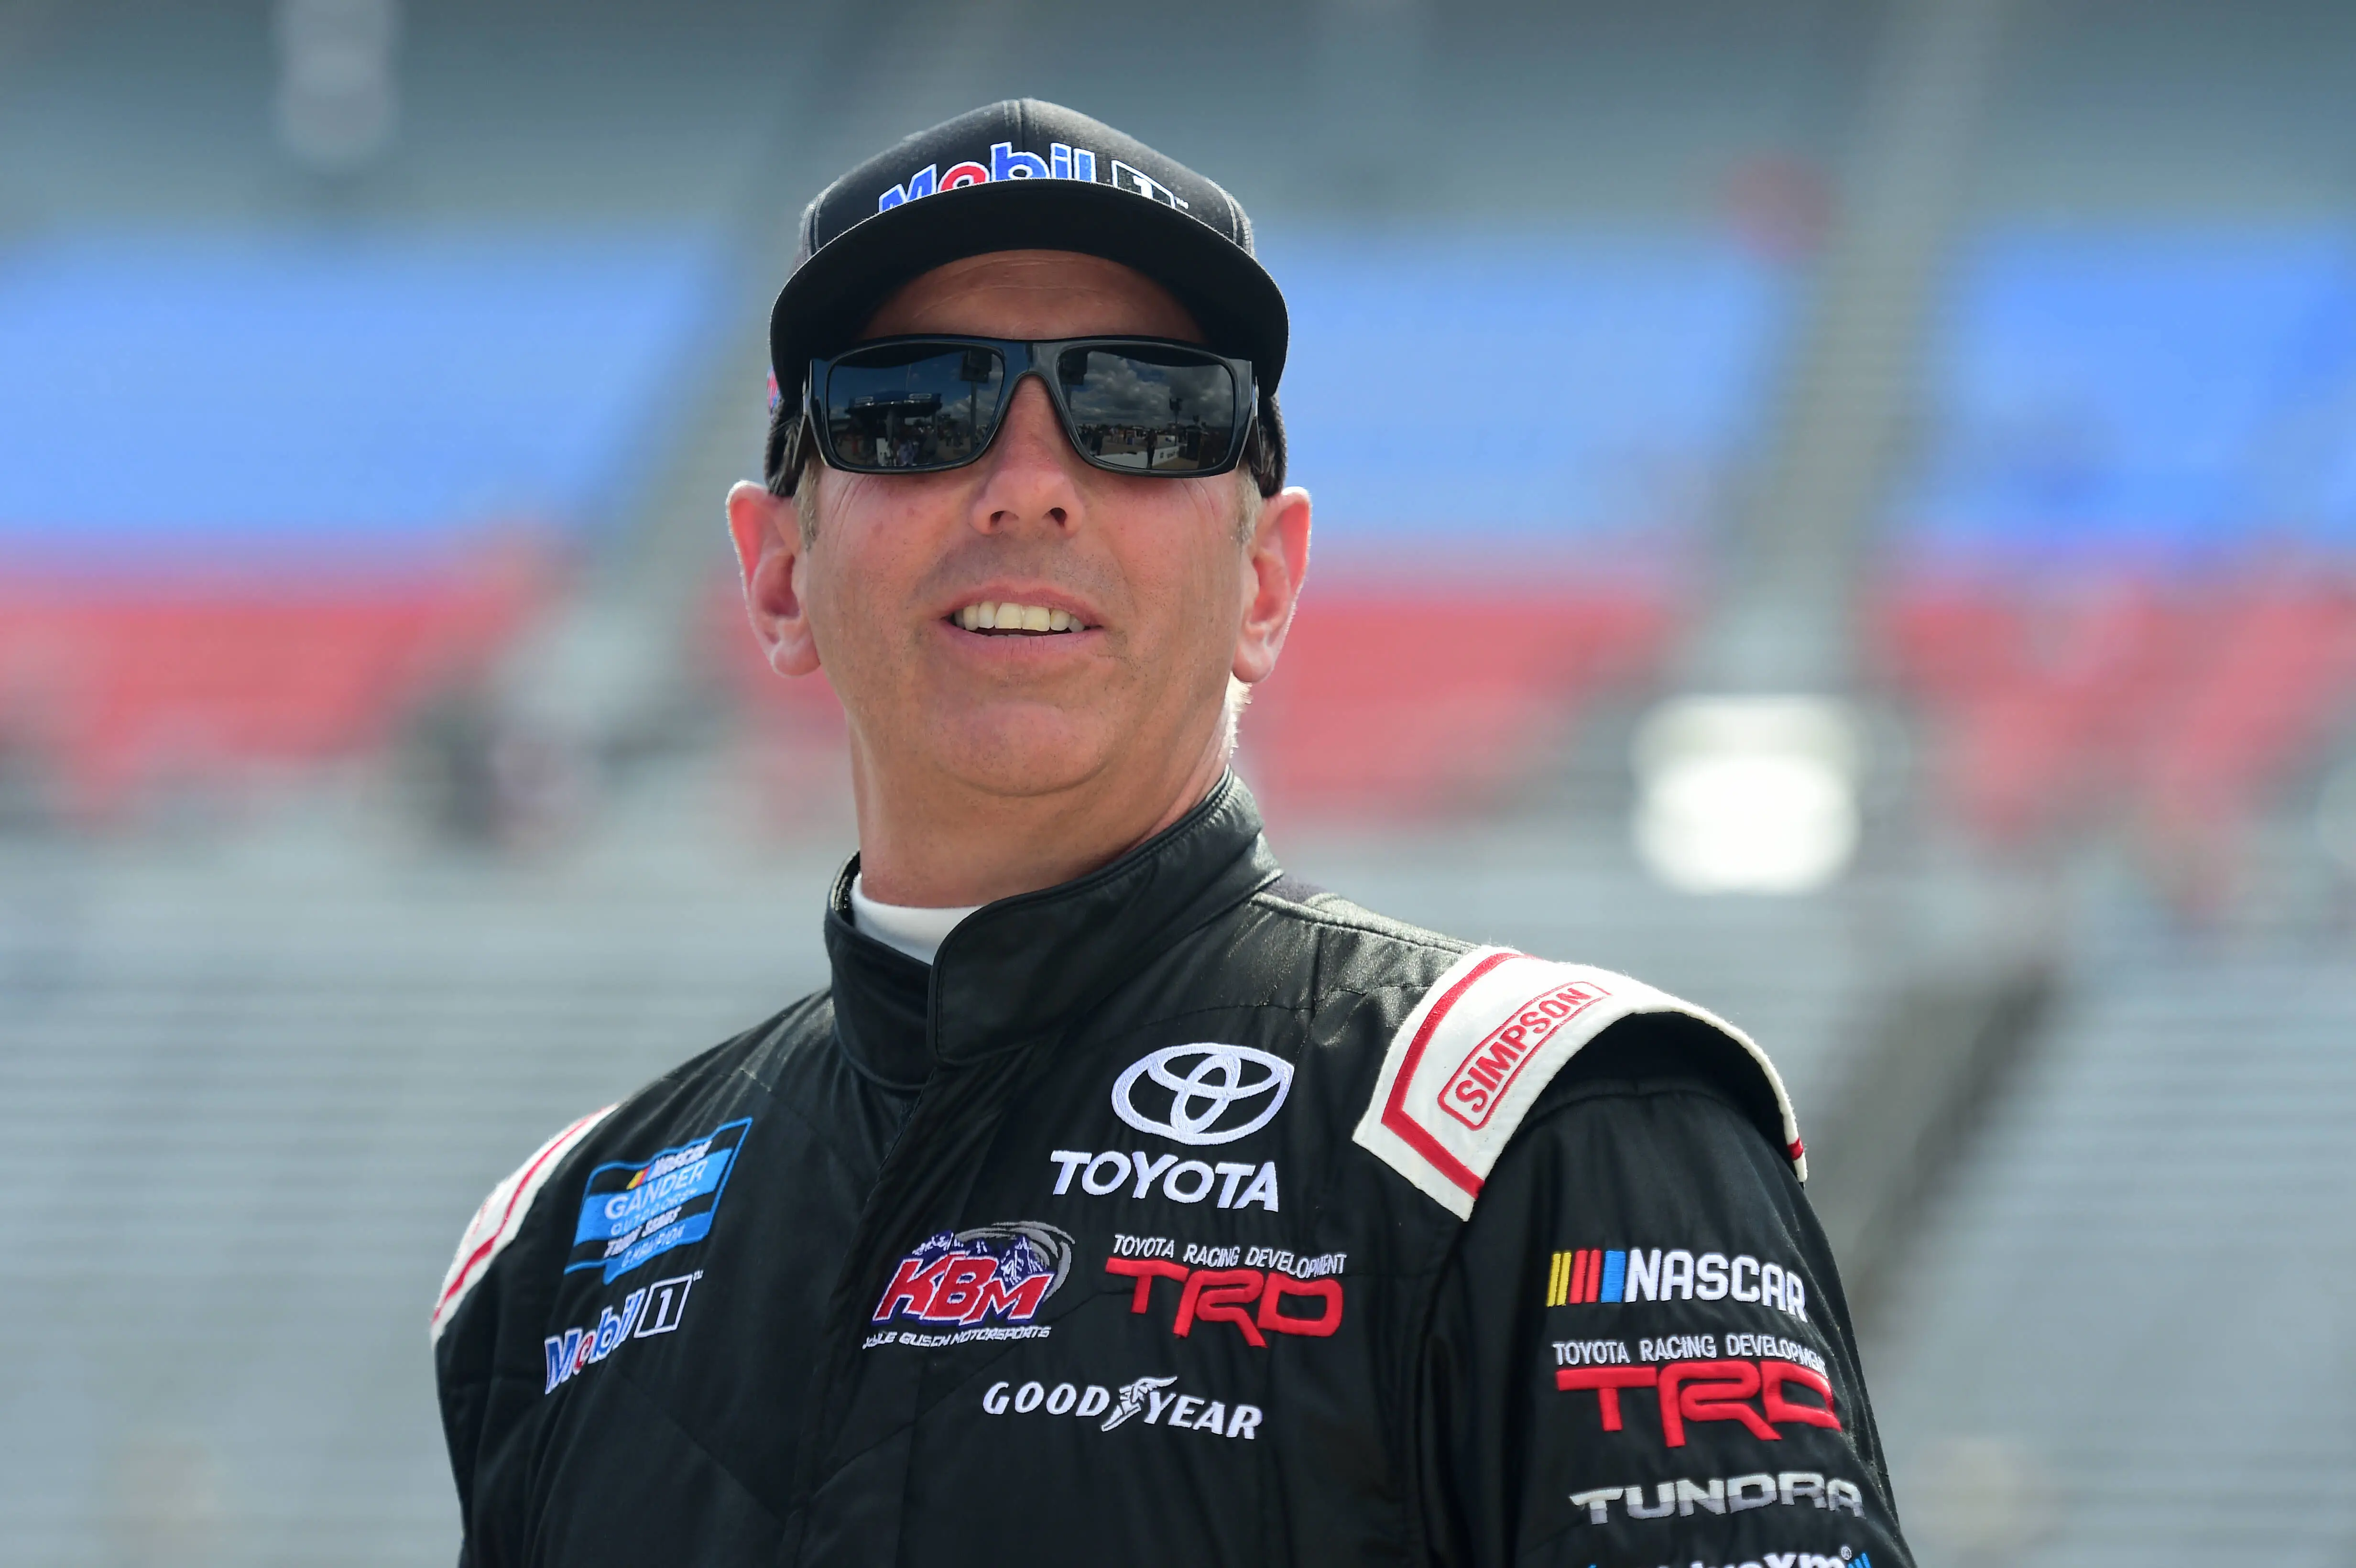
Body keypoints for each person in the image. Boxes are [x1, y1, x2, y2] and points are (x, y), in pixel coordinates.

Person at [430, 99, 1915, 1568]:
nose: (1028, 489)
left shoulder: (1554, 1128)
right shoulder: (571, 1242)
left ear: (1267, 581)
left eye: (1145, 412)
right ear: (774, 576)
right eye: (910, 404)